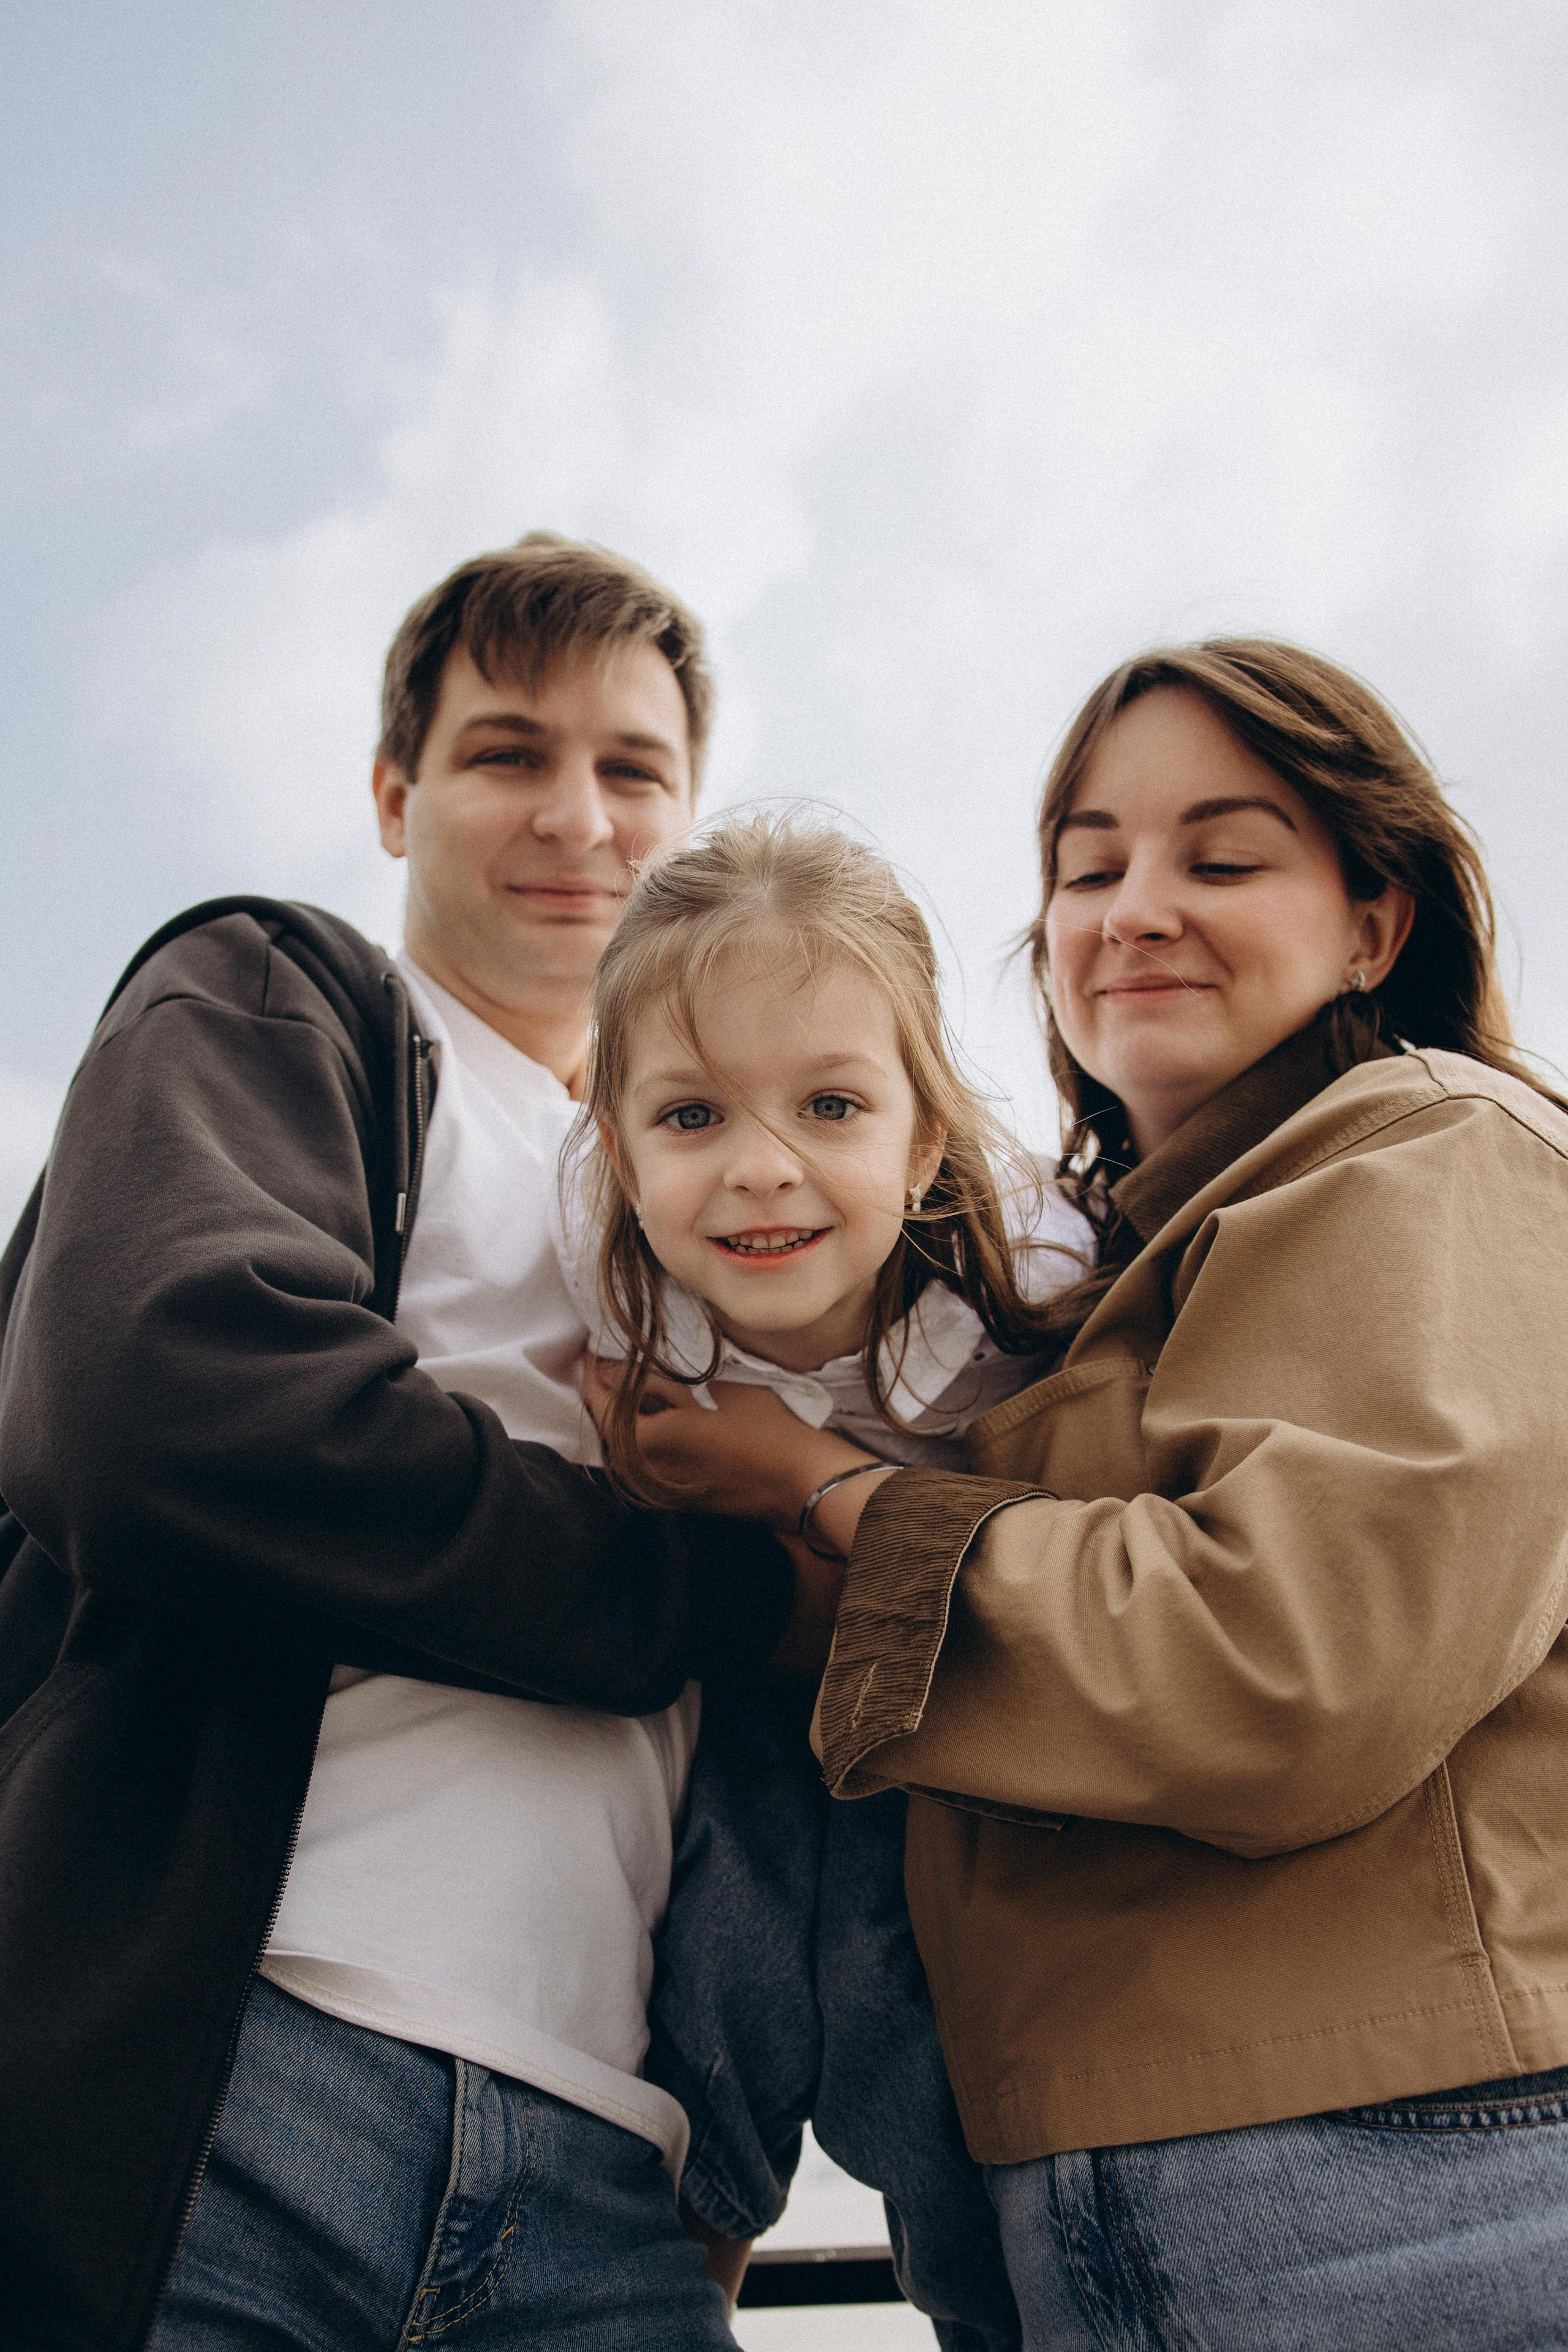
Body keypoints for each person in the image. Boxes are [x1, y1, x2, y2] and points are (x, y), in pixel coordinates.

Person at [608, 641, 1568, 2351]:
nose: (1135, 909)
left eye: (1222, 856)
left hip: (1390, 2193)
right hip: (1126, 2202)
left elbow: (1277, 1665)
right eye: (1087, 865)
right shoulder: (1117, 1272)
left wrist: (820, 1487)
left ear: (1376, 921)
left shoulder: (1429, 1153)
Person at [0, 532, 805, 2352]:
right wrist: (727, 1589)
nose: (576, 818)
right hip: (233, 2082)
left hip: (614, 2181)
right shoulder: (283, 999)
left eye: (633, 770)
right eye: (509, 753)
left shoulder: (720, 1199)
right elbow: (169, 1410)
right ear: (395, 793)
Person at [561, 812, 1089, 2346]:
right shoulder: (586, 1255)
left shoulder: (1032, 1291)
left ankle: (985, 2306)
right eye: (690, 1118)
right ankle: (676, 2288)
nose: (760, 1171)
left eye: (830, 1104)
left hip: (943, 1727)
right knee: (712, 1958)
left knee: (899, 2006)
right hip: (748, 1704)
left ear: (922, 1137)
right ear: (615, 1144)